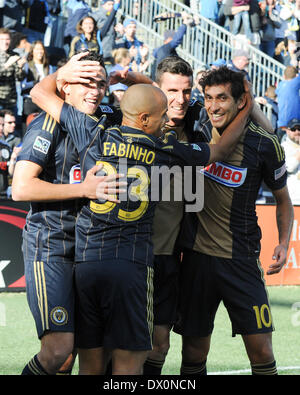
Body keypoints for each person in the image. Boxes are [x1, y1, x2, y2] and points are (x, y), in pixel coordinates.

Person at [29, 52, 253, 375]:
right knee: (129, 364)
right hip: (133, 268)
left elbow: (39, 93)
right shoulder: (164, 149)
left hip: (88, 265)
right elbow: (217, 151)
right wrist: (244, 113)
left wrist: (64, 70)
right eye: (162, 117)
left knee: (90, 365)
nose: (167, 122)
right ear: (146, 120)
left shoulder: (93, 131)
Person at [173, 66, 294, 375]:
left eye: (223, 98)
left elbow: (283, 201)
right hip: (197, 261)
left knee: (262, 350)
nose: (214, 106)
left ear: (241, 102)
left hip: (241, 260)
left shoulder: (265, 145)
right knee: (194, 352)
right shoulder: (196, 131)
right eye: (209, 98)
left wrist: (282, 242)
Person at [12, 52, 125, 376]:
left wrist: (128, 78)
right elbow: (21, 188)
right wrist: (83, 190)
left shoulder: (105, 119)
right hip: (52, 247)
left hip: (93, 250)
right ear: (64, 87)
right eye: (86, 82)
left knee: (90, 350)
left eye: (101, 84)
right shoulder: (47, 124)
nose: (95, 90)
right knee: (58, 349)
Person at [151, 11, 191, 79]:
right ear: (167, 39)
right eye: (172, 38)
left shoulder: (161, 50)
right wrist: (184, 24)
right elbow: (176, 40)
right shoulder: (165, 48)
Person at [21, 41, 55, 119]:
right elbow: (23, 86)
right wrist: (34, 83)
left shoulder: (49, 67)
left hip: (44, 101)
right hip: (30, 101)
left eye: (41, 49)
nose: (39, 51)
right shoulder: (27, 66)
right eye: (37, 49)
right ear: (32, 52)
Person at [0, 28, 26, 116]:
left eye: (7, 39)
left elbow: (19, 78)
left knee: (11, 127)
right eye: (2, 39)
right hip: (0, 99)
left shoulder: (14, 55)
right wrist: (7, 65)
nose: (5, 42)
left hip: (11, 100)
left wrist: (20, 67)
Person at [90, 0, 121, 65]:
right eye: (109, 4)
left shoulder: (113, 17)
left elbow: (113, 34)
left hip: (111, 50)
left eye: (112, 4)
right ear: (103, 5)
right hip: (100, 50)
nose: (111, 6)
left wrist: (120, 32)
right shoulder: (96, 15)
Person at [281, 117, 300, 205]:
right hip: (292, 199)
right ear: (287, 131)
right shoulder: (283, 147)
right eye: (293, 129)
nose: (297, 132)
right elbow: (289, 167)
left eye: (299, 129)